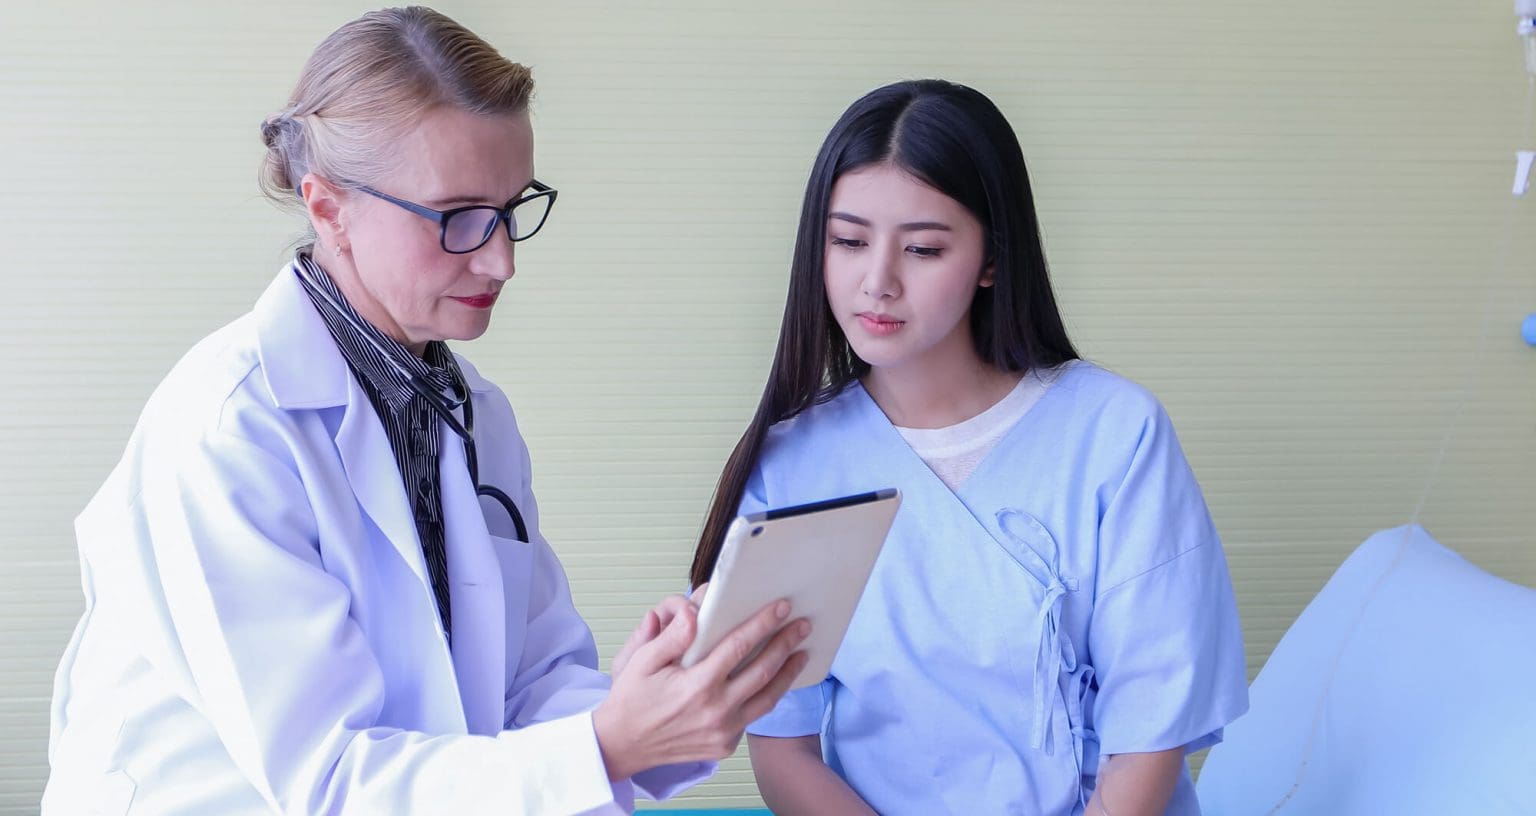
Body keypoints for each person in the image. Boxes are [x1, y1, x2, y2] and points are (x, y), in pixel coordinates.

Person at [43, 7, 808, 814]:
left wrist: (665, 699)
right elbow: (331, 780)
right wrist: (609, 744)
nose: (501, 259)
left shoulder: (474, 414)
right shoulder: (228, 430)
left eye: (511, 210)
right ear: (328, 208)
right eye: (458, 218)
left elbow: (529, 687)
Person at [689, 79, 1249, 816]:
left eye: (923, 248)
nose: (877, 282)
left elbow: (1151, 729)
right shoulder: (791, 464)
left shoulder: (1117, 435)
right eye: (849, 241)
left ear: (991, 258)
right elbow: (783, 748)